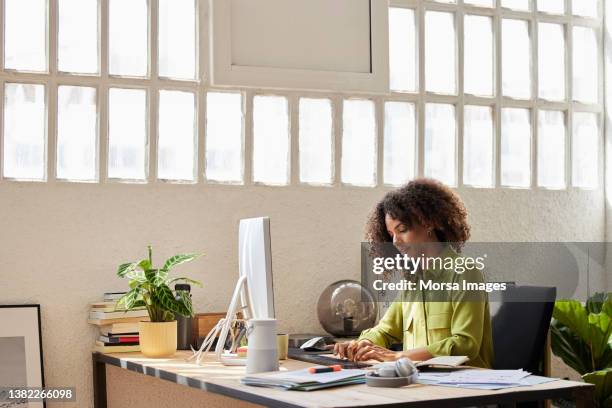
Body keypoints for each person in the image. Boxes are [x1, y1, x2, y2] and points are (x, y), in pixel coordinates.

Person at [334, 178, 493, 368]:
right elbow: (385, 330)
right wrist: (364, 344)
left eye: (402, 230)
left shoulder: (464, 272)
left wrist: (399, 356)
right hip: (420, 384)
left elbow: (466, 344)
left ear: (428, 223)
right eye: (391, 234)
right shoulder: (413, 279)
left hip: (466, 387)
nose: (395, 241)